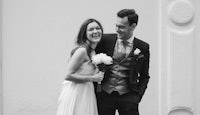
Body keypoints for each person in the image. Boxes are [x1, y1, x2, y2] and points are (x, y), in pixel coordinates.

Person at [95, 9, 150, 115]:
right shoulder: (105, 40)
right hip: (105, 95)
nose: (117, 29)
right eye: (116, 25)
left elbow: (145, 75)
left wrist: (137, 97)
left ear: (133, 26)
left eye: (121, 27)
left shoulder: (143, 47)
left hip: (129, 97)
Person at [56, 18, 105, 115]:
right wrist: (92, 78)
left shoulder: (93, 51)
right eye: (91, 29)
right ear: (84, 34)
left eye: (98, 28)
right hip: (76, 92)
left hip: (87, 91)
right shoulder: (82, 51)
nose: (95, 31)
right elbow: (68, 75)